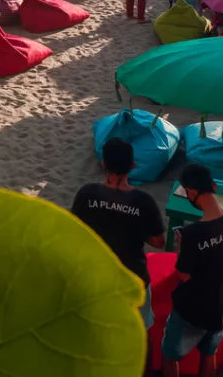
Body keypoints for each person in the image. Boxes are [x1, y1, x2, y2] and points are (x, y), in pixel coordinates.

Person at [71, 138, 165, 337]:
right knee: (138, 334)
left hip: (96, 278)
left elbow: (74, 230)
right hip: (132, 278)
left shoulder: (87, 194)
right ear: (132, 166)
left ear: (104, 164)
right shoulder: (143, 202)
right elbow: (158, 242)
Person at [161, 163, 223, 377]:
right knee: (209, 354)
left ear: (191, 192)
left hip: (191, 310)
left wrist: (181, 249)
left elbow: (183, 274)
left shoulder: (192, 235)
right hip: (220, 306)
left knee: (170, 355)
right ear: (214, 187)